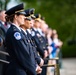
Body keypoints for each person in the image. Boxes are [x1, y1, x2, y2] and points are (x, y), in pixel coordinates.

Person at [3, 3, 37, 75]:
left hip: (22, 69)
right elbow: (23, 54)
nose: (25, 18)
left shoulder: (17, 31)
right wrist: (33, 70)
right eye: (22, 15)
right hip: (18, 71)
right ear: (16, 16)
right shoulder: (15, 33)